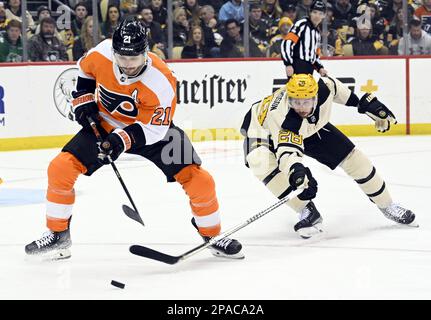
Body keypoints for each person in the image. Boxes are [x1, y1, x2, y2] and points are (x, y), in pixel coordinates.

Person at [25, 16, 243, 261]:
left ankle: (212, 235)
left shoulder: (162, 81)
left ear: (146, 53)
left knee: (200, 180)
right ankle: (58, 236)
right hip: (105, 123)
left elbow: (156, 130)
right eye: (122, 57)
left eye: (134, 58)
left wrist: (120, 141)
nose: (127, 64)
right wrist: (84, 101)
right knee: (60, 168)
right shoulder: (102, 53)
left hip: (152, 131)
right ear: (114, 51)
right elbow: (84, 70)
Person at [241, 74, 417, 238]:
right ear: (289, 98)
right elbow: (287, 153)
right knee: (261, 163)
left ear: (316, 97)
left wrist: (362, 104)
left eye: (306, 101)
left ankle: (387, 205)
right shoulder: (283, 118)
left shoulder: (324, 88)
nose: (301, 108)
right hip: (260, 133)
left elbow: (337, 88)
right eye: (296, 102)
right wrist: (296, 171)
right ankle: (306, 209)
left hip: (305, 129)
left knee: (356, 161)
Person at [281, 0, 328, 78]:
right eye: (315, 12)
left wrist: (320, 68)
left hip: (309, 69)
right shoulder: (302, 24)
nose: (317, 16)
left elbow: (315, 54)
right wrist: (288, 64)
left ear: (324, 15)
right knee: (297, 90)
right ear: (310, 12)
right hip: (297, 66)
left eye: (320, 13)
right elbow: (287, 43)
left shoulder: (317, 33)